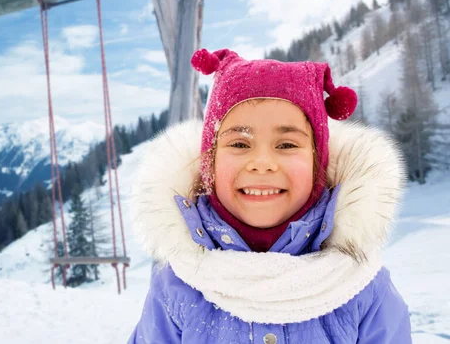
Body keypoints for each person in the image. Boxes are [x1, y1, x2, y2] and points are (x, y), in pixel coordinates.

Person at [128, 48, 411, 343]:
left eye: (287, 145)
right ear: (210, 161)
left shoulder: (363, 288)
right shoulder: (176, 288)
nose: (262, 162)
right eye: (239, 144)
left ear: (318, 163)